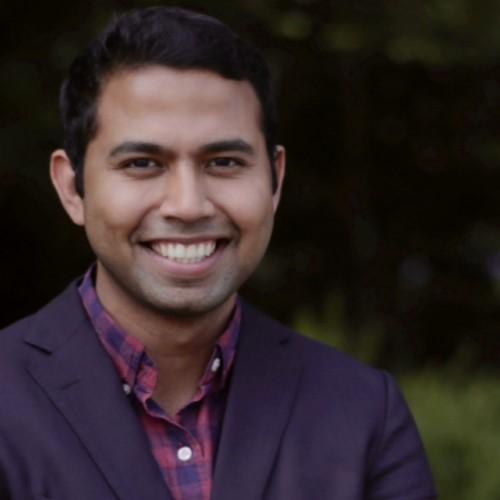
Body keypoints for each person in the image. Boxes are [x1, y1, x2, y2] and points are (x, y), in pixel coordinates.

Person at [0, 6, 436, 500]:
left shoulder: (363, 412)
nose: (188, 206)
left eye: (224, 162)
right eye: (142, 163)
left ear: (275, 180)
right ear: (72, 188)